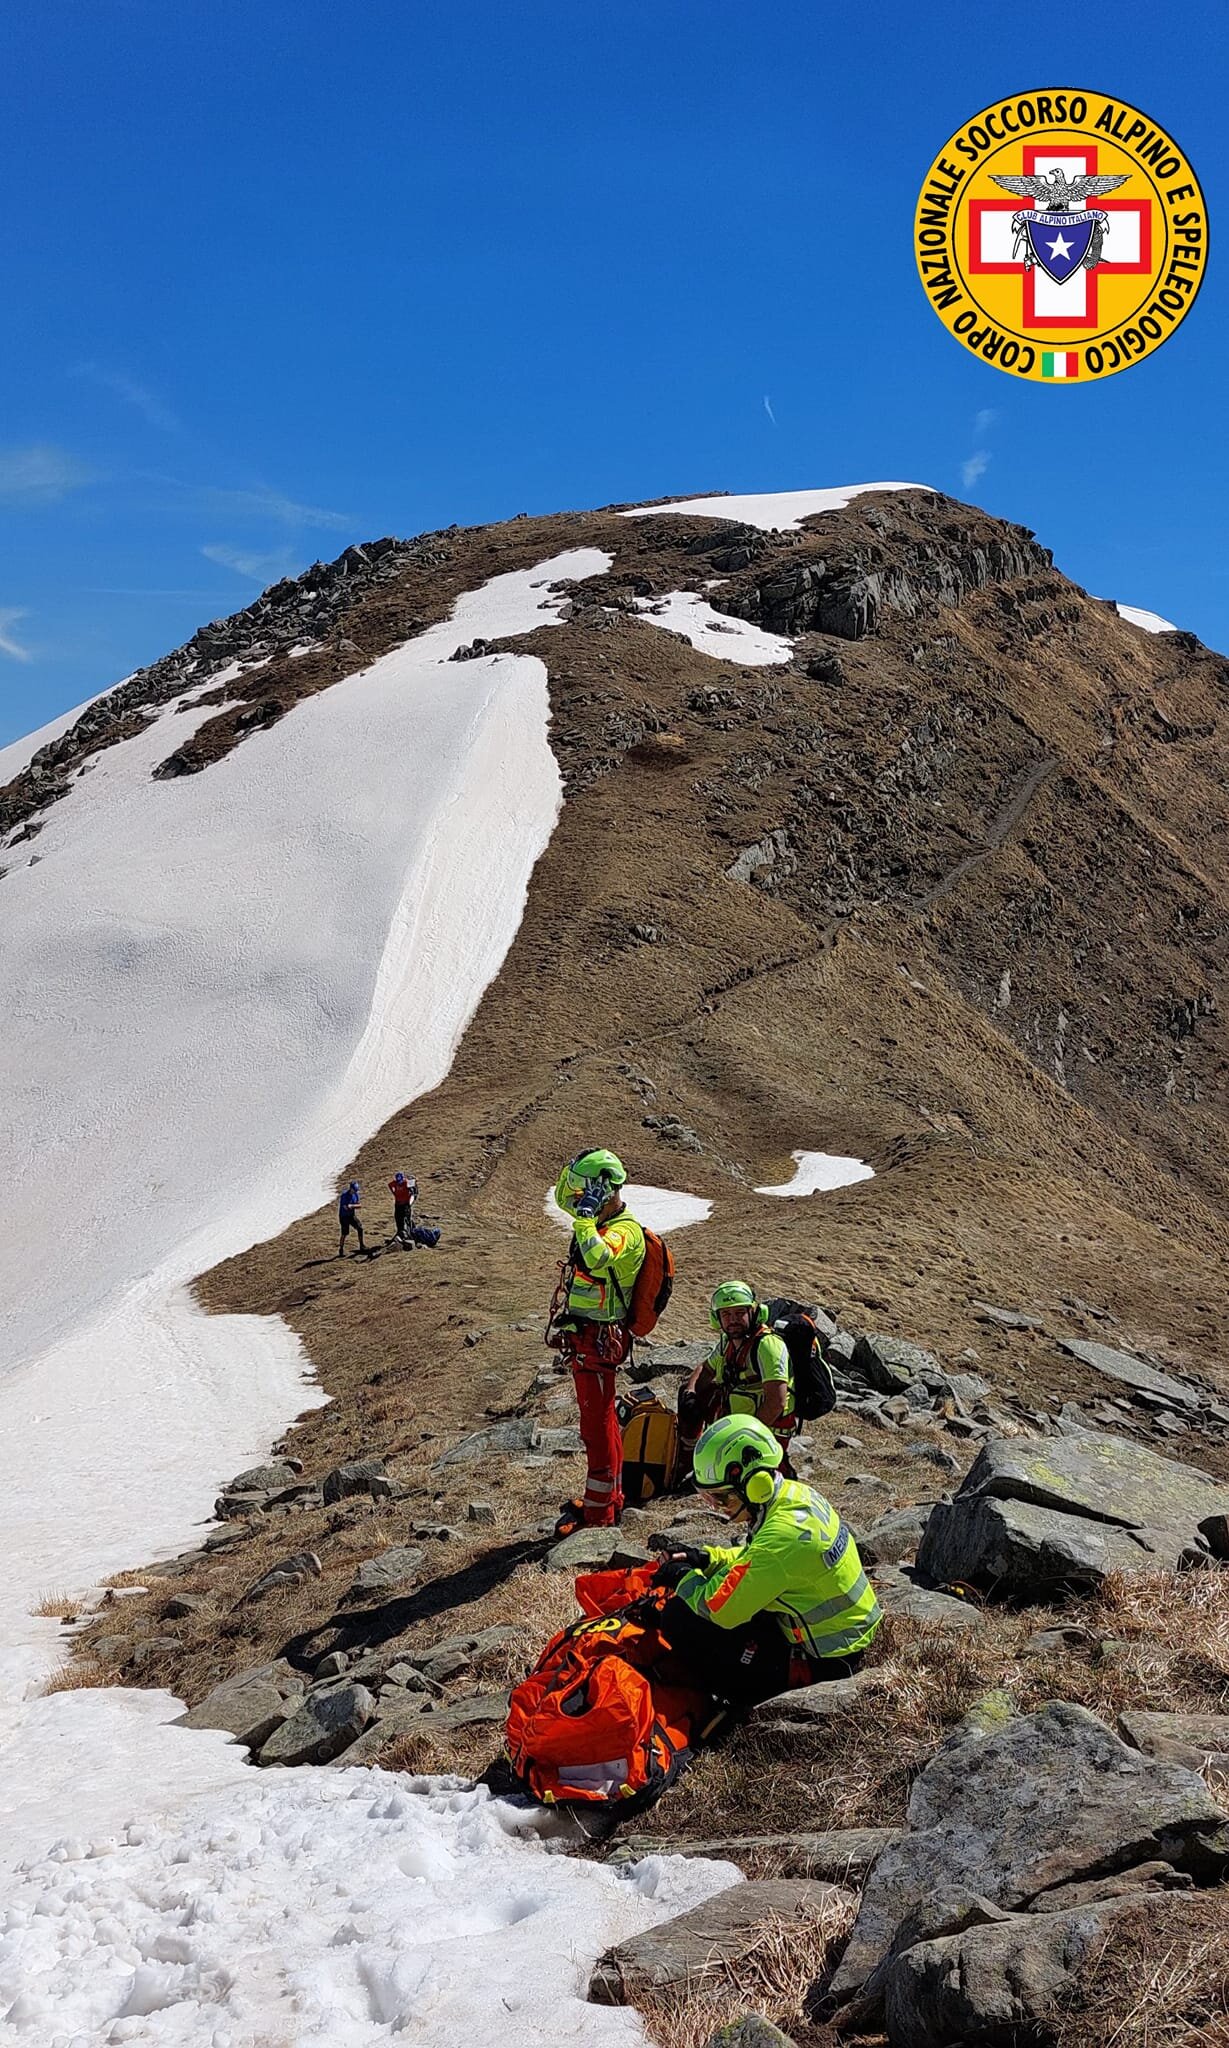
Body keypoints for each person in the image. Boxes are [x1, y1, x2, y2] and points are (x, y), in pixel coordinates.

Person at [649, 1414, 881, 1711]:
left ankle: (739, 1704)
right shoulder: (794, 1495)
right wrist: (707, 1558)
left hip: (828, 1661)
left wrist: (682, 1578)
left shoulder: (780, 1540)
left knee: (680, 1619)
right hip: (848, 1634)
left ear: (755, 1484)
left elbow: (719, 1608)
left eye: (723, 1498)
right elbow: (754, 1559)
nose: (719, 1508)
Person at [547, 1148, 645, 1535]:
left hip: (601, 1340)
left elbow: (599, 1257)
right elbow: (560, 1198)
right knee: (599, 1420)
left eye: (581, 1188)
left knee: (596, 1424)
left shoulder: (624, 1231)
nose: (573, 1198)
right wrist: (582, 1196)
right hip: (586, 1335)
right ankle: (608, 1499)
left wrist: (586, 1217)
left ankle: (600, 1514)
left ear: (602, 1189)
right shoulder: (599, 1217)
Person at [679, 1282, 797, 1475]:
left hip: (765, 1429)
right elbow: (705, 1369)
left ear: (754, 1313)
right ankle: (686, 1457)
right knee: (688, 1389)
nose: (733, 1320)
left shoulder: (768, 1346)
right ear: (717, 1318)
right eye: (726, 1314)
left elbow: (776, 1402)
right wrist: (690, 1393)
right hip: (737, 1420)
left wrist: (744, 1437)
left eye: (739, 1313)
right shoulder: (727, 1343)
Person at [388, 1171, 418, 1244]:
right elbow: (390, 1185)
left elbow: (415, 1187)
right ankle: (400, 1233)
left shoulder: (406, 1182)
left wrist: (410, 1200)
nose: (399, 1183)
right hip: (398, 1204)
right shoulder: (394, 1183)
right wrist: (395, 1194)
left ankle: (410, 1234)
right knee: (398, 1219)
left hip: (406, 1204)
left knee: (407, 1219)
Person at [337, 1179, 365, 1257]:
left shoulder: (355, 1194)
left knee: (360, 1228)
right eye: (354, 1190)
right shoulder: (344, 1195)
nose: (355, 1192)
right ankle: (341, 1249)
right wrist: (351, 1206)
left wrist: (352, 1206)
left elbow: (359, 1205)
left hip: (351, 1215)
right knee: (344, 1233)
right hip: (344, 1217)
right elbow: (345, 1207)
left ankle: (362, 1246)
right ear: (351, 1188)